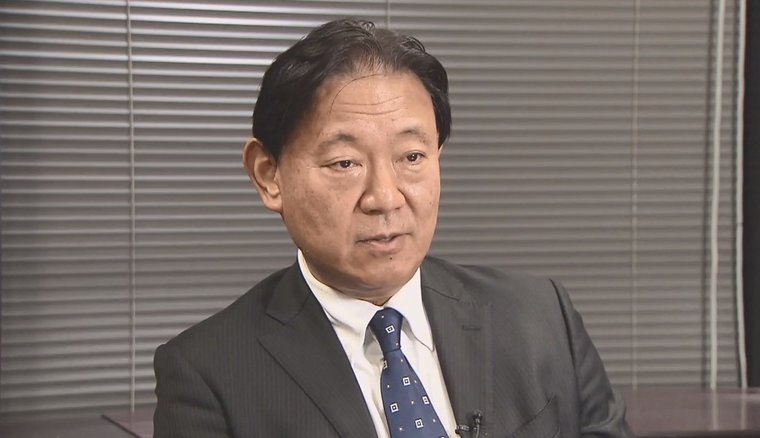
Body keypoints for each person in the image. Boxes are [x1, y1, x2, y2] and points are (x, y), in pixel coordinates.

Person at [153, 18, 633, 438]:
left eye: (412, 157)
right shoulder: (209, 375)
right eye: (345, 163)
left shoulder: (542, 317)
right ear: (268, 175)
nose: (384, 198)